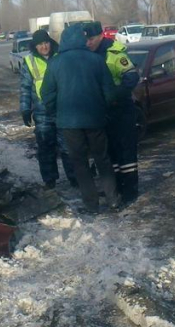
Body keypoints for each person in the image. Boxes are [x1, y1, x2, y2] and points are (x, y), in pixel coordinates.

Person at [41, 23, 119, 214]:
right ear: (81, 39)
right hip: (95, 119)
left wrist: (54, 113)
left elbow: (47, 93)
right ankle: (113, 198)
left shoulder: (55, 63)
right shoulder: (96, 60)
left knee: (80, 163)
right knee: (102, 159)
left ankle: (91, 204)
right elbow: (109, 92)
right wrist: (105, 109)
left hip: (69, 123)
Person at [83, 21, 141, 204]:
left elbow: (131, 77)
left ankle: (130, 189)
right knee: (109, 152)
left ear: (100, 36)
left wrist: (115, 95)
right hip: (102, 111)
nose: (88, 43)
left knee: (126, 151)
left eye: (91, 39)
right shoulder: (86, 56)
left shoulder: (115, 53)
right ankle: (116, 188)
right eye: (86, 40)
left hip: (121, 109)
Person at [20, 29, 76, 189]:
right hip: (42, 112)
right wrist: (25, 109)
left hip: (62, 109)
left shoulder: (61, 57)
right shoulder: (29, 62)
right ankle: (49, 180)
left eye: (46, 43)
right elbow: (25, 87)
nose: (44, 47)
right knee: (45, 147)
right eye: (40, 44)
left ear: (50, 43)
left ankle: (74, 177)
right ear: (35, 46)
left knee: (67, 146)